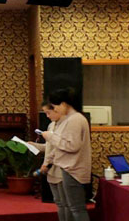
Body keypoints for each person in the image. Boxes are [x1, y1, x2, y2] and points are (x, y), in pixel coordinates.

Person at [41, 88, 91, 221]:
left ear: (63, 104)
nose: (55, 109)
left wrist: (50, 137)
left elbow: (71, 146)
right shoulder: (71, 119)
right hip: (69, 167)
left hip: (73, 168)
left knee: (76, 208)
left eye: (55, 106)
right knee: (72, 207)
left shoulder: (75, 119)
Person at [29, 101, 66, 221]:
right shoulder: (51, 125)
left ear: (56, 110)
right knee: (58, 202)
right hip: (50, 169)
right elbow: (49, 147)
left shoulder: (66, 126)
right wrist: (34, 145)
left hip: (61, 168)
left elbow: (59, 148)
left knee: (66, 203)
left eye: (48, 112)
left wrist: (46, 164)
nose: (47, 116)